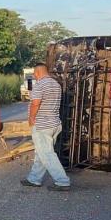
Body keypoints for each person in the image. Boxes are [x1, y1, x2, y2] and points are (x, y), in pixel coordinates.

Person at [21, 62, 70, 191]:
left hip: (42, 125)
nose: (35, 76)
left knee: (47, 154)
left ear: (37, 72)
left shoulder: (40, 85)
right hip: (54, 124)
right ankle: (34, 179)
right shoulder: (55, 84)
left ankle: (62, 181)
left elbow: (35, 103)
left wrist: (31, 118)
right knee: (41, 153)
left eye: (34, 74)